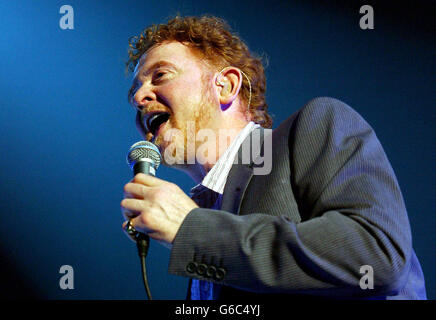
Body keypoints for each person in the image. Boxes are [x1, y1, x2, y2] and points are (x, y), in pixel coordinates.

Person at [120, 15, 426, 300]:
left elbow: (375, 253)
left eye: (160, 75)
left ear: (225, 86)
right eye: (135, 90)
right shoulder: (206, 212)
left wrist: (192, 229)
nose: (138, 97)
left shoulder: (314, 125)